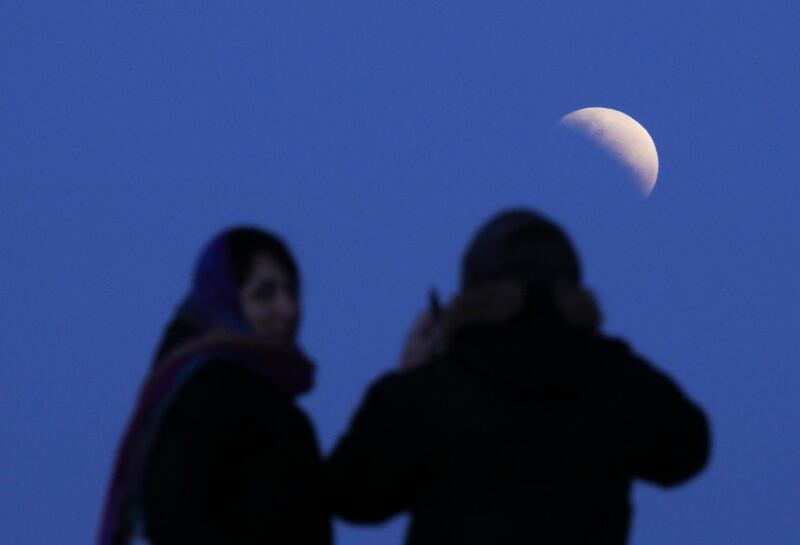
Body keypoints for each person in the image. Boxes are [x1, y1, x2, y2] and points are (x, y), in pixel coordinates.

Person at [327, 209, 711, 545]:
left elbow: (354, 498)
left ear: (470, 294)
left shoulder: (427, 393)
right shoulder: (617, 380)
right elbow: (686, 452)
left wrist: (408, 378)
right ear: (572, 293)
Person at [98, 227, 331, 545]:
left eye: (292, 292)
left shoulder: (258, 396)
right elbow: (179, 518)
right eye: (265, 294)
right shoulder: (214, 393)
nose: (288, 310)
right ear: (224, 302)